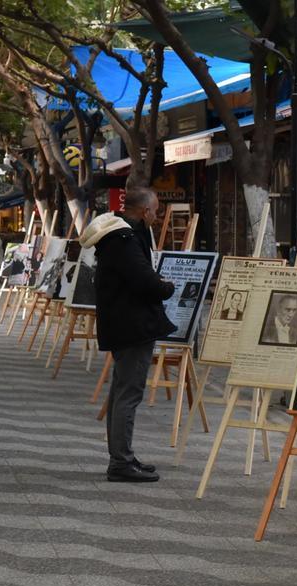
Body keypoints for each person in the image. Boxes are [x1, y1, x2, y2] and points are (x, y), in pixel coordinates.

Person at [79, 187, 177, 482]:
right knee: (128, 393)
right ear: (144, 211)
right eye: (155, 210)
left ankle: (124, 456)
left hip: (125, 322)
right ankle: (120, 461)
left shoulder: (121, 234)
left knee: (122, 390)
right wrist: (166, 287)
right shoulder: (124, 238)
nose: (157, 216)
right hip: (132, 324)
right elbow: (143, 279)